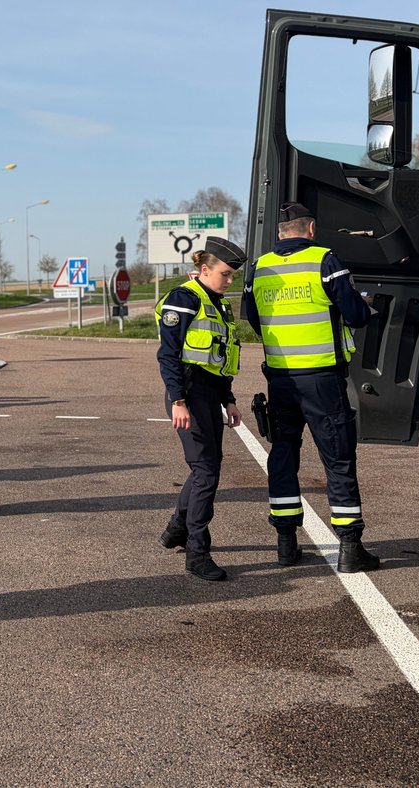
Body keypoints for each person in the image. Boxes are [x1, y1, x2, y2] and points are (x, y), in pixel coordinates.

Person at [244, 202, 379, 573]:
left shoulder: (260, 268)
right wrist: (365, 307)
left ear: (280, 233)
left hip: (281, 379)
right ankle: (350, 546)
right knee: (337, 456)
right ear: (312, 228)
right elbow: (354, 315)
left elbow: (254, 319)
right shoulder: (326, 261)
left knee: (284, 454)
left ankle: (286, 545)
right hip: (322, 379)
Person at [155, 237, 246, 581]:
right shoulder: (184, 299)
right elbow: (168, 355)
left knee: (206, 468)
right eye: (224, 274)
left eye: (232, 276)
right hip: (188, 395)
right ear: (204, 270)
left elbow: (219, 358)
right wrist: (178, 400)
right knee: (206, 471)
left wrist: (229, 399)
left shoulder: (218, 305)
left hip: (209, 394)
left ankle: (178, 526)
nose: (228, 280)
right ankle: (197, 551)